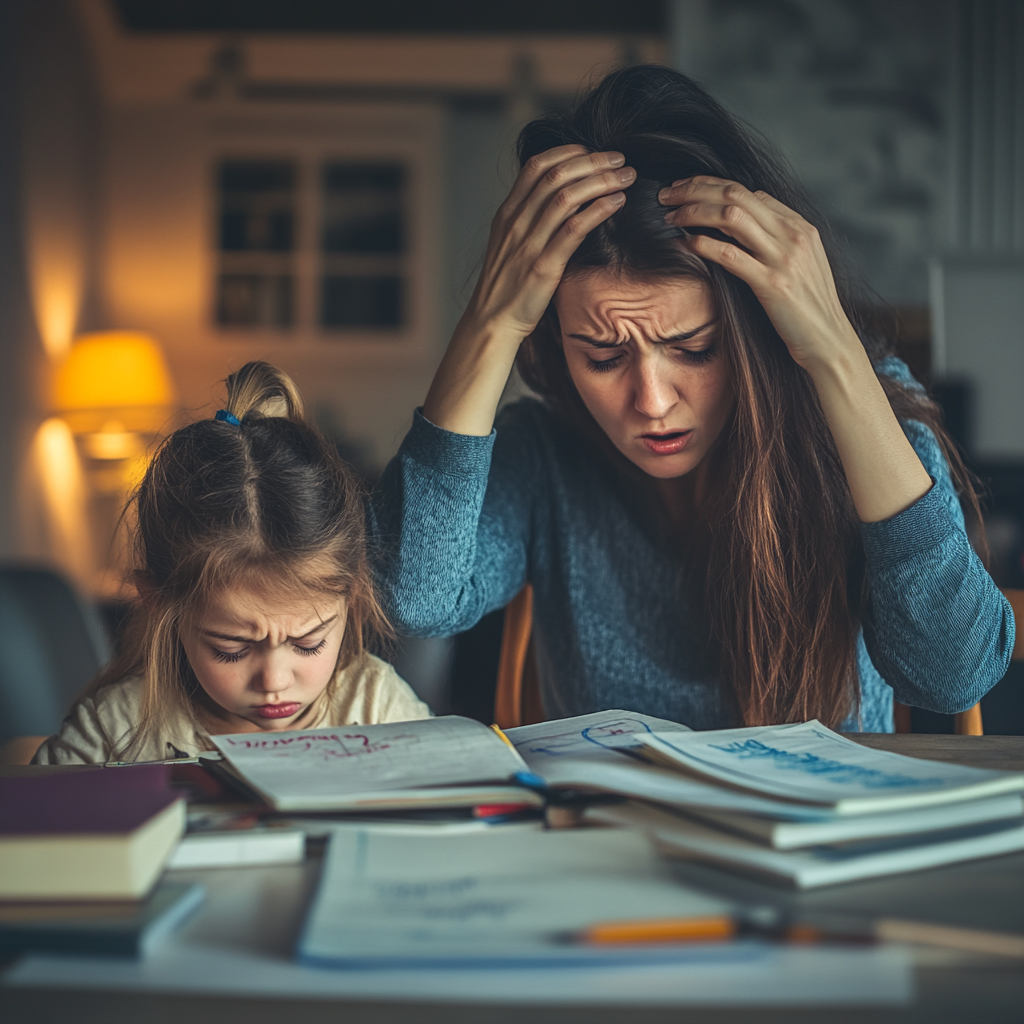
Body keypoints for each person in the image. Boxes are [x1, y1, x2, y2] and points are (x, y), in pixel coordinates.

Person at [371, 65, 1013, 732]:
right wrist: (490, 322)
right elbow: (411, 598)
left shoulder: (859, 421)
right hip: (614, 833)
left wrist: (834, 355)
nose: (650, 400)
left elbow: (951, 673)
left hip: (810, 832)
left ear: (753, 329)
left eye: (695, 348)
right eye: (602, 355)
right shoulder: (543, 454)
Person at [35, 362, 429, 765]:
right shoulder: (113, 732)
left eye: (309, 644)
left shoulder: (377, 710)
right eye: (231, 649)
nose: (274, 682)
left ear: (353, 593)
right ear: (157, 601)